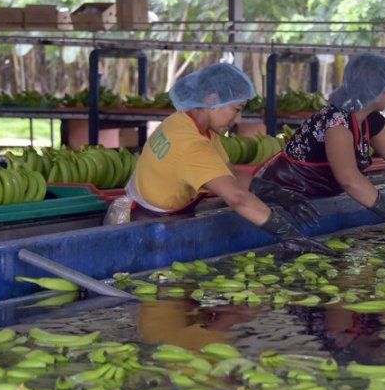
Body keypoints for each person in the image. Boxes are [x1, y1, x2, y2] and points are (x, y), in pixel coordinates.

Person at [112, 63, 330, 255]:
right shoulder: (192, 145)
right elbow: (237, 198)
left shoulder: (184, 123)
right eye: (236, 109)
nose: (238, 119)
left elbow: (230, 174)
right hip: (144, 233)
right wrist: (290, 235)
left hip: (146, 215)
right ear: (212, 100)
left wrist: (280, 195)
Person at [254, 53, 385, 233]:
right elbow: (349, 180)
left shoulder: (370, 119)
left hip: (313, 198)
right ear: (375, 92)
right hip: (284, 199)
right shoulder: (337, 123)